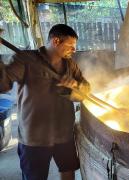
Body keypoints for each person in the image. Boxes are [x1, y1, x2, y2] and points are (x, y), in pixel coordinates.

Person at [0, 24, 90, 180]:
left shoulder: (69, 64)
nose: (74, 50)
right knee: (34, 177)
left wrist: (75, 86)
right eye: (70, 45)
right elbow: (3, 85)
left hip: (63, 134)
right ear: (56, 41)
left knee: (68, 170)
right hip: (35, 137)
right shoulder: (25, 60)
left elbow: (85, 91)